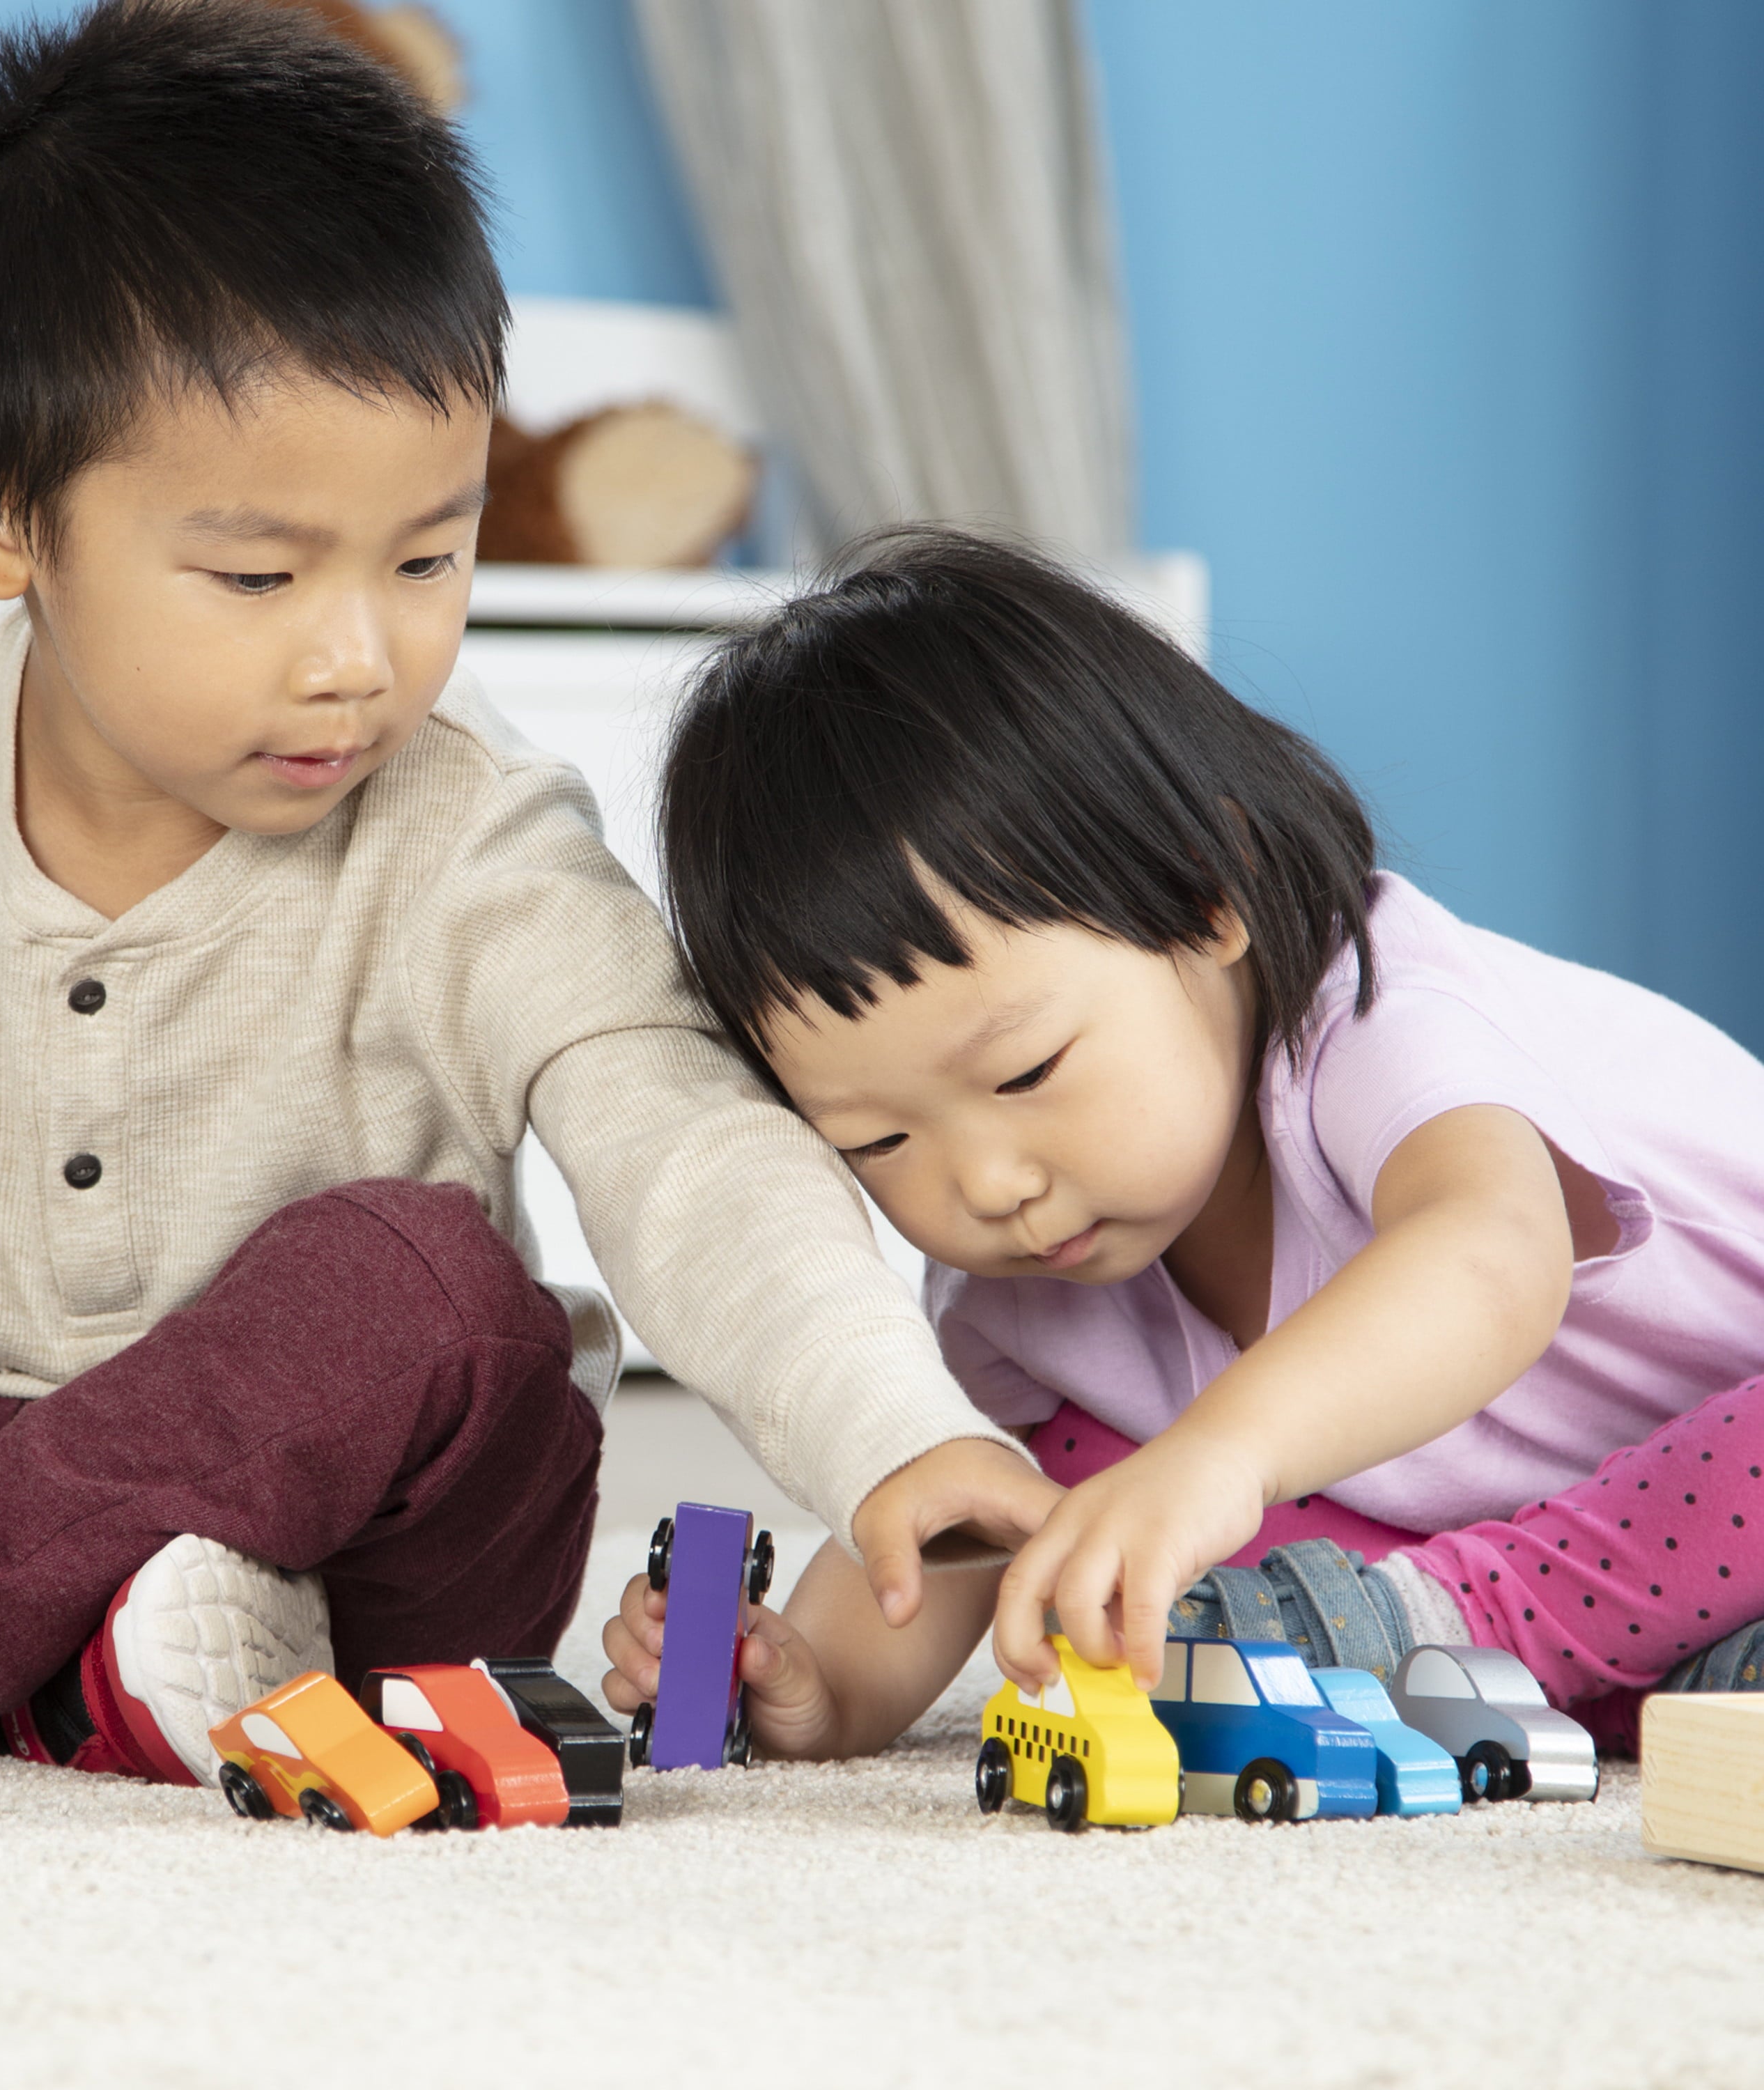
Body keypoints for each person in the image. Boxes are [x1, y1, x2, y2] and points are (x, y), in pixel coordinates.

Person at [0, 3, 1058, 1781]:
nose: (358, 657)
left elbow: (687, 1144)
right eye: (256, 575)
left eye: (430, 556)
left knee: (426, 1282)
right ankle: (70, 1671)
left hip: (372, 1566)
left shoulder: (469, 831)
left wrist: (890, 1432)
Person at [602, 526, 1764, 1762]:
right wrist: (814, 1685)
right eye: (877, 1139)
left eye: (1027, 1071)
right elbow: (959, 1535)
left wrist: (1222, 1457)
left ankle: (1483, 1629)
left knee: (1199, 1490)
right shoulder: (1027, 1296)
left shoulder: (1370, 1010)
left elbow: (1493, 1256)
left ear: (1207, 894)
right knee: (1103, 1513)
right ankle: (1673, 1683)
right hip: (1618, 1570)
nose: (988, 1183)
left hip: (1715, 1443)